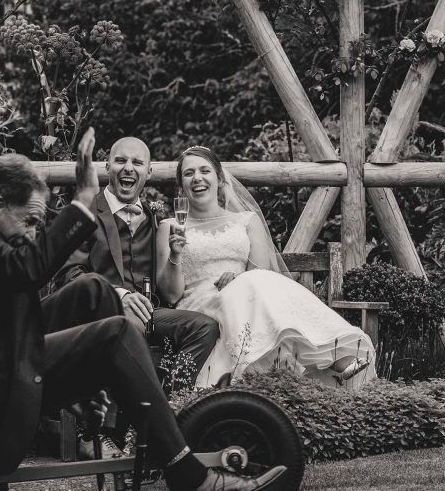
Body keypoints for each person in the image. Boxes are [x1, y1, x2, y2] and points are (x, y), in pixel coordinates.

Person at [0, 128, 286, 491]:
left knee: (93, 290)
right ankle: (190, 478)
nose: (33, 234)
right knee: (115, 331)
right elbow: (27, 269)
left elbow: (11, 297)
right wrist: (83, 200)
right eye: (30, 222)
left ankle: (113, 423)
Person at [156, 146, 375, 388]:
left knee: (253, 282)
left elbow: (262, 273)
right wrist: (175, 255)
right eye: (188, 173)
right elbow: (171, 295)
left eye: (204, 170)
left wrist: (238, 278)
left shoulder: (247, 221)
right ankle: (327, 362)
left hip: (247, 296)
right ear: (182, 184)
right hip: (199, 307)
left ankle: (314, 364)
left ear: (219, 179)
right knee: (251, 285)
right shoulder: (170, 226)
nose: (197, 177)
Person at [54, 137, 220, 380]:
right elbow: (68, 275)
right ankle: (134, 413)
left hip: (153, 312)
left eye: (137, 163)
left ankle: (174, 402)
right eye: (120, 161)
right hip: (104, 313)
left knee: (205, 327)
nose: (128, 168)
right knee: (130, 326)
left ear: (149, 171)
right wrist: (119, 295)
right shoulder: (85, 212)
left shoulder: (156, 219)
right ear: (107, 166)